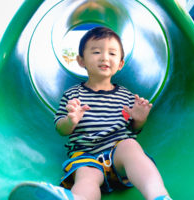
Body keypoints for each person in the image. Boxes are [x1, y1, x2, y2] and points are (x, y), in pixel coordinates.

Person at [54, 26, 172, 200]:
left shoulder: (126, 96)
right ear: (81, 61)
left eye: (112, 53)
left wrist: (139, 119)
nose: (104, 57)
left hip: (117, 154)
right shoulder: (73, 95)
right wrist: (70, 121)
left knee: (131, 146)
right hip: (86, 155)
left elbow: (132, 127)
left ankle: (159, 195)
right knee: (87, 176)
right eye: (96, 52)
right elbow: (60, 128)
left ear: (121, 64)